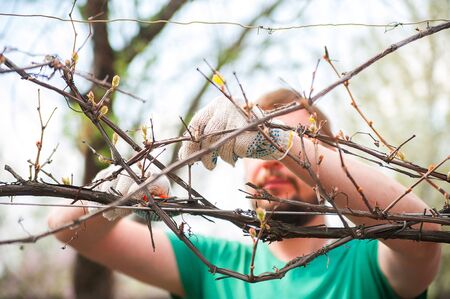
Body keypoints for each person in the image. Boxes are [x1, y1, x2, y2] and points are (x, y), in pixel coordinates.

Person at [48, 88, 441, 299]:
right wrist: (116, 191)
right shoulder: (212, 266)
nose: (275, 161)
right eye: (256, 145)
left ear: (327, 162)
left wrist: (274, 140)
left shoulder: (371, 260)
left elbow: (420, 235)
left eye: (297, 145)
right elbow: (67, 229)